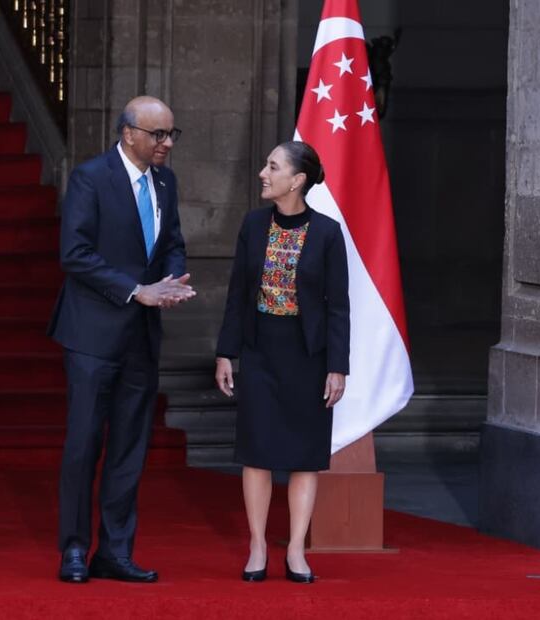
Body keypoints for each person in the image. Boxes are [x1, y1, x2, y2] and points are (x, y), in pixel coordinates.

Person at [48, 96, 195, 584]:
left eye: (172, 134)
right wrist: (137, 290)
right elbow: (75, 253)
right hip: (92, 334)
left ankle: (114, 551)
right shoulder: (91, 177)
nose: (167, 143)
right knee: (84, 445)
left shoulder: (166, 182)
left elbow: (172, 241)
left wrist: (171, 282)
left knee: (130, 448)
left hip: (141, 338)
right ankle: (73, 548)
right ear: (129, 132)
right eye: (159, 134)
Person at [214, 141, 350, 584]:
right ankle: (257, 545)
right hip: (260, 350)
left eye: (272, 167)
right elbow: (237, 294)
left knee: (303, 457)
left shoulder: (328, 233)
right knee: (256, 452)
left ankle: (295, 550)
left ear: (297, 180)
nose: (262, 173)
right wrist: (226, 352)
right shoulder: (253, 226)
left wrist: (338, 365)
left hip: (307, 356)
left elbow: (338, 307)